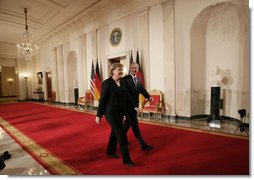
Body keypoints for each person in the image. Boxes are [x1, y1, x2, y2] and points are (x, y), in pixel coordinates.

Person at [95, 63, 137, 167]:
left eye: (122, 70)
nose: (121, 72)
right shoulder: (107, 83)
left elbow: (126, 98)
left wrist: (133, 107)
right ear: (113, 71)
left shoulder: (122, 82)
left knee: (115, 132)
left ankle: (110, 151)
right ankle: (127, 160)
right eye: (119, 69)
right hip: (111, 113)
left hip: (120, 113)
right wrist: (99, 115)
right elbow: (102, 100)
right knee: (122, 135)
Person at [123, 62, 153, 151]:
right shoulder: (125, 79)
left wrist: (149, 96)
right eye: (132, 68)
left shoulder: (138, 79)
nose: (134, 69)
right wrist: (133, 106)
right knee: (135, 126)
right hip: (128, 106)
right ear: (129, 68)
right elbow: (127, 95)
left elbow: (141, 89)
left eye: (136, 68)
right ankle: (143, 145)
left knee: (127, 125)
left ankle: (120, 139)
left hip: (135, 105)